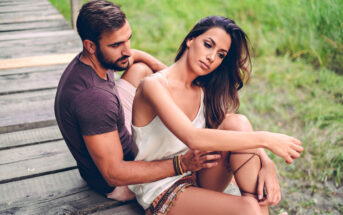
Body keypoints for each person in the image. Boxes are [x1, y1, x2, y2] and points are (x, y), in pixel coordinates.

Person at [128, 16, 303, 215]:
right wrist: (266, 139)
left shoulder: (203, 90)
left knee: (238, 122)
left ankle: (260, 208)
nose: (211, 57)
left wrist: (267, 163)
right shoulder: (154, 86)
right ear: (190, 39)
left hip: (196, 174)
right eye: (208, 45)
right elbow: (193, 138)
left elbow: (238, 129)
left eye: (221, 55)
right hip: (161, 187)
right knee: (248, 209)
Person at [54, 0, 220, 202]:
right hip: (120, 179)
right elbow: (113, 173)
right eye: (116, 45)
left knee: (140, 69)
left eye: (127, 40)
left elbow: (136, 56)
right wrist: (182, 164)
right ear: (90, 46)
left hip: (115, 128)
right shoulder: (94, 99)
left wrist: (172, 78)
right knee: (191, 143)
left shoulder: (95, 60)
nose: (126, 50)